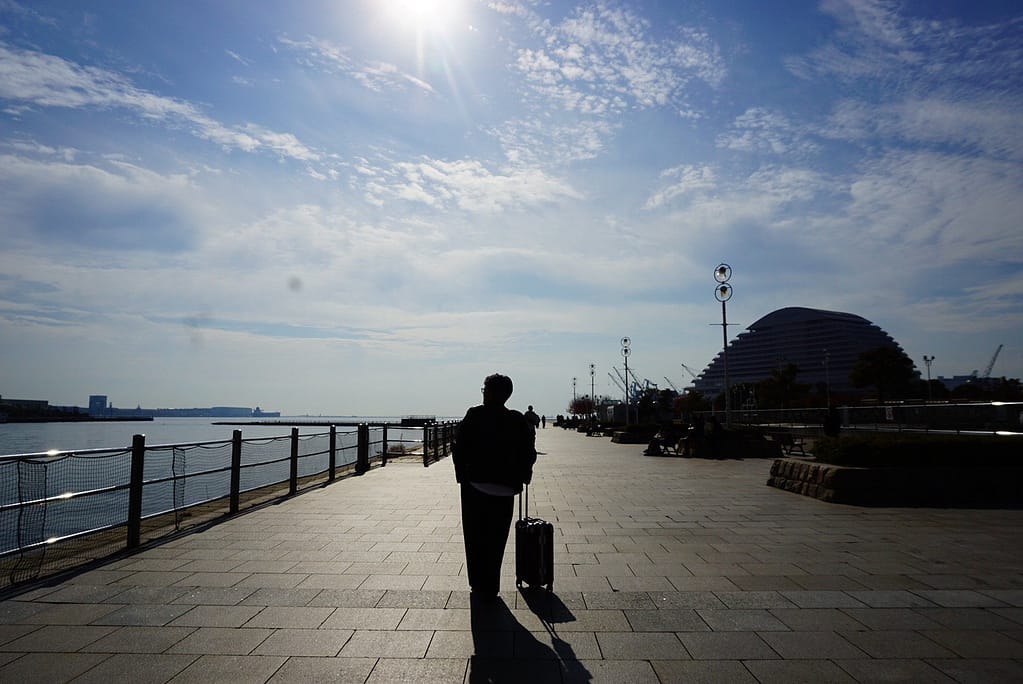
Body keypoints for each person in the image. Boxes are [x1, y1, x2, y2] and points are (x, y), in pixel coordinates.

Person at [453, 374, 537, 598]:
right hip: (505, 489)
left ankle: (478, 584)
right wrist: (523, 476)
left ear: (490, 392)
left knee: (474, 537)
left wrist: (462, 475)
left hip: (475, 486)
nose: (483, 393)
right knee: (496, 539)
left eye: (485, 389)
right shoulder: (517, 419)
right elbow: (529, 452)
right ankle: (492, 584)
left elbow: (459, 446)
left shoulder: (475, 415)